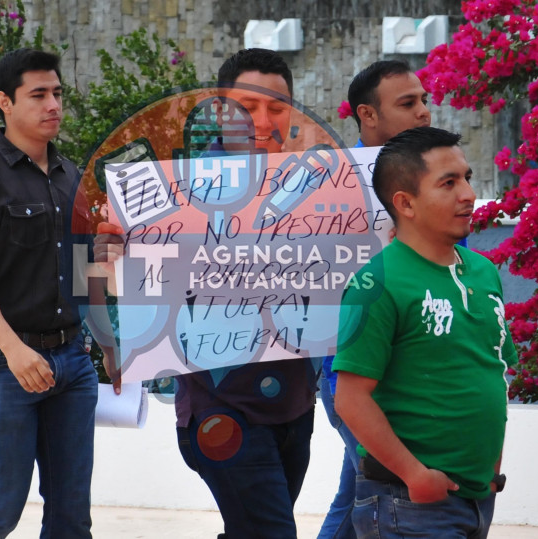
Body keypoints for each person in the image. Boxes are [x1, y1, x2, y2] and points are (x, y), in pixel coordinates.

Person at [0, 48, 98, 538]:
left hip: (73, 362)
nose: (53, 105)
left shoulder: (72, 177)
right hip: (3, 367)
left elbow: (84, 269)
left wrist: (110, 346)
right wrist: (13, 349)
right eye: (39, 95)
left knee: (72, 517)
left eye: (57, 94)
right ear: (4, 102)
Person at [333, 126, 515, 539]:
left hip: (476, 499)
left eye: (467, 178)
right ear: (406, 203)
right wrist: (415, 474)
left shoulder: (484, 272)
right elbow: (350, 398)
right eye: (448, 183)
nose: (467, 194)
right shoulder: (375, 283)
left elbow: (494, 369)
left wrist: (491, 470)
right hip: (408, 505)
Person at [172, 48, 319, 539]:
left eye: (276, 107)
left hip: (295, 402)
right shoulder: (173, 195)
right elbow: (132, 286)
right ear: (217, 111)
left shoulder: (321, 190)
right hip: (220, 405)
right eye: (246, 106)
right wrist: (112, 253)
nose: (262, 120)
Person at [317, 59, 432, 539]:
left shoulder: (435, 177)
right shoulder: (325, 189)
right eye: (407, 104)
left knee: (361, 492)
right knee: (384, 493)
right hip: (354, 374)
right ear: (367, 115)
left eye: (424, 100)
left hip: (419, 373)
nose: (424, 113)